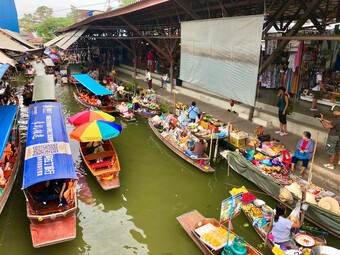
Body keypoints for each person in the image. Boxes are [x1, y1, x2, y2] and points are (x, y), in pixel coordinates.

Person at [316, 105, 340, 170]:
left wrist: (321, 121)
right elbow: (331, 122)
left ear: (336, 111)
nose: (332, 113)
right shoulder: (338, 118)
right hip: (338, 136)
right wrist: (323, 119)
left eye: (333, 111)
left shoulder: (336, 120)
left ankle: (331, 165)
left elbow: (326, 127)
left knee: (331, 151)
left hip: (333, 137)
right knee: (338, 149)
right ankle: (339, 161)